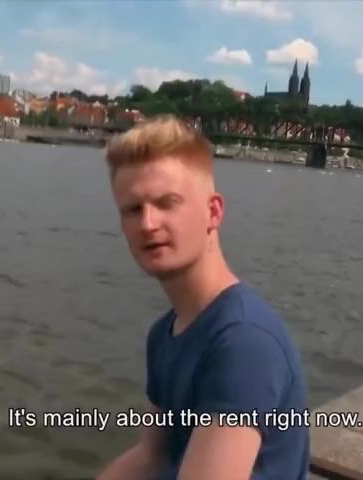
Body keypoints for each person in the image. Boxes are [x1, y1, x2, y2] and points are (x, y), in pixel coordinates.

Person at [96, 115, 309, 480]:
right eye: (133, 209)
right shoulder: (165, 332)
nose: (147, 224)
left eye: (166, 203)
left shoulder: (243, 342)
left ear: (213, 212)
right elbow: (151, 457)